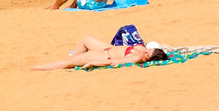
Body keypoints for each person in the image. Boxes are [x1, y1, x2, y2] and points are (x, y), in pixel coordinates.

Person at [32, 36, 168, 70]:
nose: (146, 50)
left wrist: (93, 63)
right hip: (107, 48)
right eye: (148, 49)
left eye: (148, 52)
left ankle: (37, 67)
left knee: (69, 64)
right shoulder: (141, 51)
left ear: (148, 58)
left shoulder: (137, 57)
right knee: (86, 39)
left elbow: (112, 62)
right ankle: (75, 58)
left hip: (103, 56)